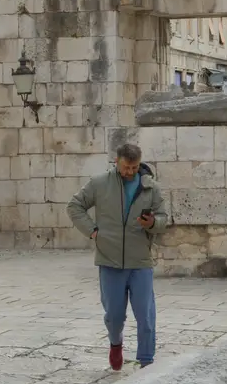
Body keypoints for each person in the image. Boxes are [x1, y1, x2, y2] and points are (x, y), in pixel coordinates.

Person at [67, 143, 168, 371]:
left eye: (134, 167)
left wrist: (152, 223)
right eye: (126, 167)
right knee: (114, 315)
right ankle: (116, 343)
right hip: (109, 259)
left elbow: (163, 219)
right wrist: (92, 231)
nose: (130, 172)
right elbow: (74, 206)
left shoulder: (151, 188)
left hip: (140, 260)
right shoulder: (99, 183)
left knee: (145, 315)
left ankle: (146, 361)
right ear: (116, 162)